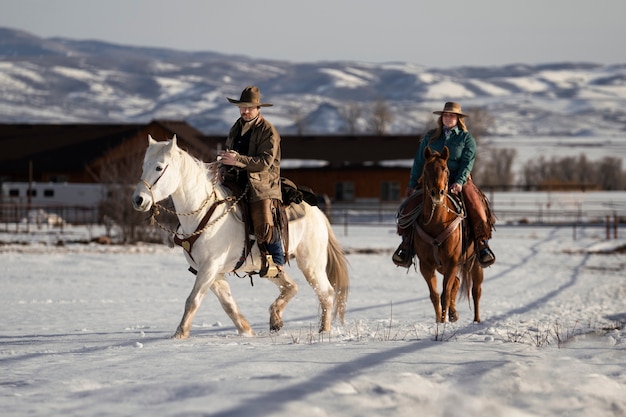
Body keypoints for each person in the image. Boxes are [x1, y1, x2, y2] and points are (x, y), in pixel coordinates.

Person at [392, 101, 496, 268]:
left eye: (452, 115)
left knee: (476, 206)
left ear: (458, 119)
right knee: (408, 209)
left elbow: (467, 163)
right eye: (445, 115)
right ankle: (406, 246)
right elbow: (419, 161)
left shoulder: (466, 138)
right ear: (441, 118)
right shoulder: (430, 137)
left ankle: (481, 244)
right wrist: (412, 184)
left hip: (458, 180)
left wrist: (460, 182)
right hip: (433, 181)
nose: (448, 118)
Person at [218, 86, 284, 278]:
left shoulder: (268, 131)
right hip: (236, 179)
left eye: (249, 108)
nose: (245, 111)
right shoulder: (236, 127)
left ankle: (276, 261)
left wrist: (238, 160)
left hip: (262, 184)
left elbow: (265, 163)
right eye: (242, 107)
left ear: (258, 108)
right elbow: (230, 152)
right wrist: (223, 166)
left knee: (263, 220)